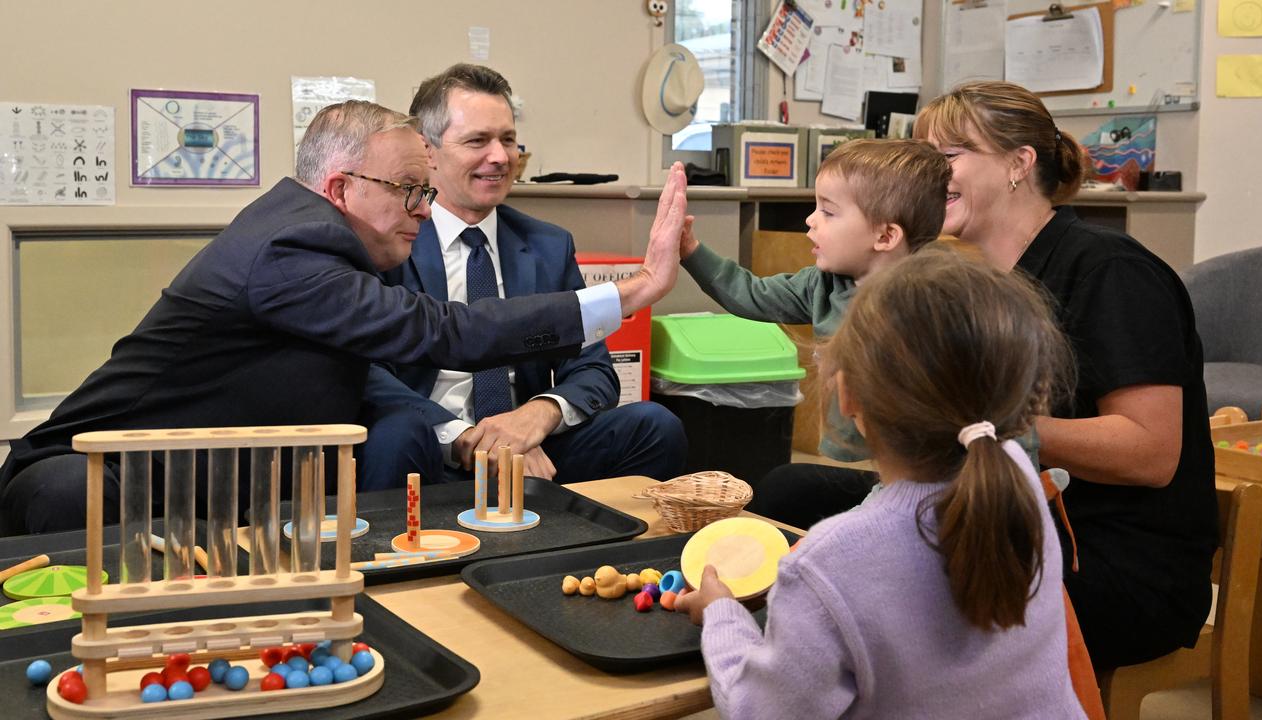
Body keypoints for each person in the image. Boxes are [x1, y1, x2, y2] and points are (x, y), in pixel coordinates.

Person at [0, 100, 689, 536]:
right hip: (90, 481)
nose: (426, 208)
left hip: (214, 486)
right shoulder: (295, 248)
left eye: (426, 191)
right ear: (341, 190)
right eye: (411, 191)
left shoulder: (316, 233)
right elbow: (444, 332)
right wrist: (632, 292)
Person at [675, 247, 1083, 719]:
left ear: (847, 396)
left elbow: (757, 711)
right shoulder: (1019, 478)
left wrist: (721, 614)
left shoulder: (830, 560)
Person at [914, 80, 1216, 671]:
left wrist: (993, 427)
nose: (930, 174)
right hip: (1020, 525)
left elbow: (1152, 452)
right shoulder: (987, 281)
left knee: (897, 588)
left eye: (947, 157)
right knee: (810, 500)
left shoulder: (1111, 272)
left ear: (1018, 165)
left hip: (1122, 568)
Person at [358, 64, 685, 489]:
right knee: (396, 434)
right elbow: (364, 373)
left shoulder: (547, 245)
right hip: (431, 449)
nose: (500, 157)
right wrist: (467, 438)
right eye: (478, 140)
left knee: (655, 425)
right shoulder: (390, 238)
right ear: (428, 151)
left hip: (530, 455)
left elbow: (594, 370)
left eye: (508, 140)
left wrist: (536, 417)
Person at [678, 139, 950, 528]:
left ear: (886, 237)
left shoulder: (939, 303)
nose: (811, 220)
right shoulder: (823, 284)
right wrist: (691, 252)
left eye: (829, 211)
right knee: (782, 488)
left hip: (922, 477)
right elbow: (752, 294)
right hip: (866, 465)